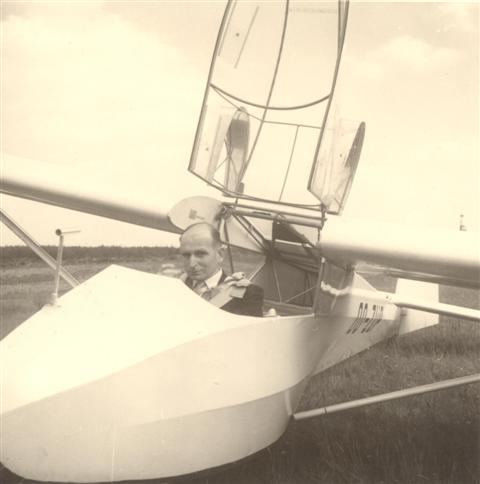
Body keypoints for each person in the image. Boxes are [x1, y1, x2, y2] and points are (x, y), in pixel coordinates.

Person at [179, 222, 264, 317]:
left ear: (220, 254)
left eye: (200, 254)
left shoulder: (247, 294)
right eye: (186, 255)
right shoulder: (177, 286)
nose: (192, 264)